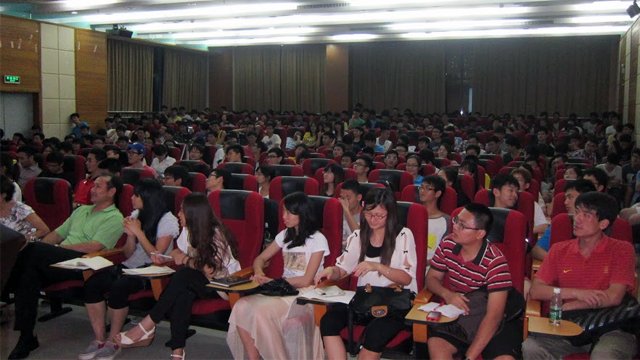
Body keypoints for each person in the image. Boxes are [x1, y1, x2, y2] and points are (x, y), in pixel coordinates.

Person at [8, 175, 124, 359]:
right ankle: (26, 336)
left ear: (112, 192)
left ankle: (7, 285)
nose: (92, 189)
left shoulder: (115, 217)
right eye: (93, 185)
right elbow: (57, 233)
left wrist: (51, 249)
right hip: (58, 261)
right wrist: (46, 248)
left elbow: (94, 246)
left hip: (84, 262)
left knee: (30, 254)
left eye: (99, 186)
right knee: (27, 276)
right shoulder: (81, 210)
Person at [116, 193, 239, 360]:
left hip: (222, 286)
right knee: (183, 293)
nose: (178, 214)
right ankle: (177, 352)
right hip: (199, 280)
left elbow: (210, 269)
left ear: (193, 214)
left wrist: (186, 260)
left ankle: (147, 325)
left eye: (182, 211)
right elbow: (179, 251)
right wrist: (170, 256)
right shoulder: (188, 230)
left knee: (183, 275)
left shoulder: (215, 234)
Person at [523, 192, 637, 359]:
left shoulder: (622, 250)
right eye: (577, 212)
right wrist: (577, 293)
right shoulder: (559, 250)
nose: (577, 219)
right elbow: (536, 291)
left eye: (587, 215)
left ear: (603, 223)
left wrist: (574, 304)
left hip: (611, 326)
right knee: (530, 347)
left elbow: (614, 297)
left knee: (604, 356)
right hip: (569, 326)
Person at [79, 179, 179, 360]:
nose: (131, 198)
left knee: (119, 287)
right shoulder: (136, 214)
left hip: (153, 272)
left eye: (136, 195)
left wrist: (139, 232)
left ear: (147, 198)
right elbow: (127, 253)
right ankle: (99, 339)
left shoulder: (168, 220)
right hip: (130, 266)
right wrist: (131, 236)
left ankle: (113, 341)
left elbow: (157, 257)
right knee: (92, 284)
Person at [317, 188, 417, 359]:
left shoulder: (403, 235)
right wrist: (331, 271)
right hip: (365, 300)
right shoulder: (358, 235)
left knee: (375, 333)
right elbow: (343, 269)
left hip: (394, 303)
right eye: (369, 213)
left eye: (379, 215)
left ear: (390, 214)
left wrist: (377, 266)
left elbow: (406, 278)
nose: (373, 219)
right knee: (328, 322)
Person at [227, 192, 329, 360]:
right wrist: (259, 272)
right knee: (241, 306)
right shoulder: (285, 235)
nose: (283, 217)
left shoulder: (317, 239)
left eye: (289, 212)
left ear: (302, 214)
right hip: (282, 290)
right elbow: (260, 259)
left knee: (260, 313)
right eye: (283, 212)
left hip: (305, 294)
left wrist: (273, 281)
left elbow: (307, 279)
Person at [426, 203, 521, 359]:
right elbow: (431, 278)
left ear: (480, 234)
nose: (454, 226)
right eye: (456, 220)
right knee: (436, 344)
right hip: (462, 315)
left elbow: (494, 316)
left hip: (494, 320)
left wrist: (469, 357)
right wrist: (447, 294)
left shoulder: (495, 262)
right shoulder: (447, 244)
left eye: (462, 225)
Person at [532, 179, 595, 261]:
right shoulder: (562, 222)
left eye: (570, 197)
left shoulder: (602, 222)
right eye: (565, 198)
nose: (565, 202)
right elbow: (536, 250)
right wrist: (559, 263)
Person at [419, 175, 450, 264]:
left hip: (432, 267)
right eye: (421, 187)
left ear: (438, 194)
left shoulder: (446, 221)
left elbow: (445, 253)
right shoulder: (411, 214)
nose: (422, 191)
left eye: (428, 188)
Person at [337, 179, 362, 249]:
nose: (344, 201)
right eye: (342, 198)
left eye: (348, 198)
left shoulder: (366, 215)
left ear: (359, 197)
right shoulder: (337, 212)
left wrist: (346, 211)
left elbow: (359, 236)